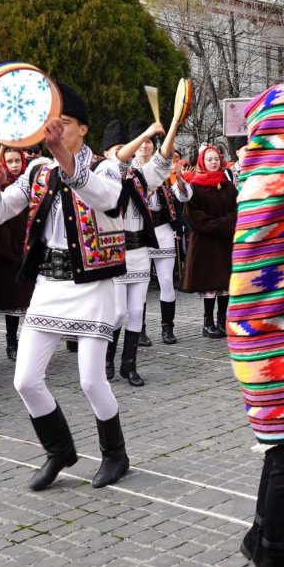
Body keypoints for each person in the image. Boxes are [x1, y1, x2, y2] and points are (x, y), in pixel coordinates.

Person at [0, 83, 134, 491]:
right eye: (50, 124)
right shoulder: (35, 171)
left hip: (94, 286)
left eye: (62, 124)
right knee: (25, 379)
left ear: (83, 129)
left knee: (91, 380)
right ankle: (59, 450)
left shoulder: (107, 167)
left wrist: (62, 155)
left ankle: (116, 454)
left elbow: (103, 197)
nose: (53, 131)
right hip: (49, 284)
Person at [104, 118, 178, 386]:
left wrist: (172, 128)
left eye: (127, 146)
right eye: (118, 147)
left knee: (136, 310)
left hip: (140, 253)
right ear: (105, 154)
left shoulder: (138, 178)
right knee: (117, 312)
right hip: (116, 253)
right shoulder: (102, 174)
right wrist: (147, 132)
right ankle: (107, 361)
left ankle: (129, 366)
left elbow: (160, 162)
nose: (124, 151)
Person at [0, 148, 36, 361]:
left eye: (17, 161)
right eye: (10, 161)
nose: (14, 165)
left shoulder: (31, 185)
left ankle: (29, 343)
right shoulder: (3, 188)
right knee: (12, 302)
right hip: (9, 253)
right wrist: (12, 251)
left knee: (29, 301)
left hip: (29, 249)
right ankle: (11, 342)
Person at [182, 143, 237, 337]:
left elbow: (236, 210)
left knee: (224, 282)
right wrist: (213, 225)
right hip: (205, 241)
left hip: (224, 240)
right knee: (209, 284)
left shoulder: (228, 185)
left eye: (216, 159)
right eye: (209, 159)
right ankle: (208, 322)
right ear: (202, 162)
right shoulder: (195, 186)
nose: (213, 162)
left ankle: (222, 320)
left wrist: (223, 225)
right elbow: (191, 213)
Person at [148, 147, 189, 345]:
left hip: (163, 231)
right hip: (142, 233)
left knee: (166, 281)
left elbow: (185, 196)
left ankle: (167, 327)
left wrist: (179, 177)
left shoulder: (167, 180)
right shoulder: (135, 177)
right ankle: (139, 330)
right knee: (140, 285)